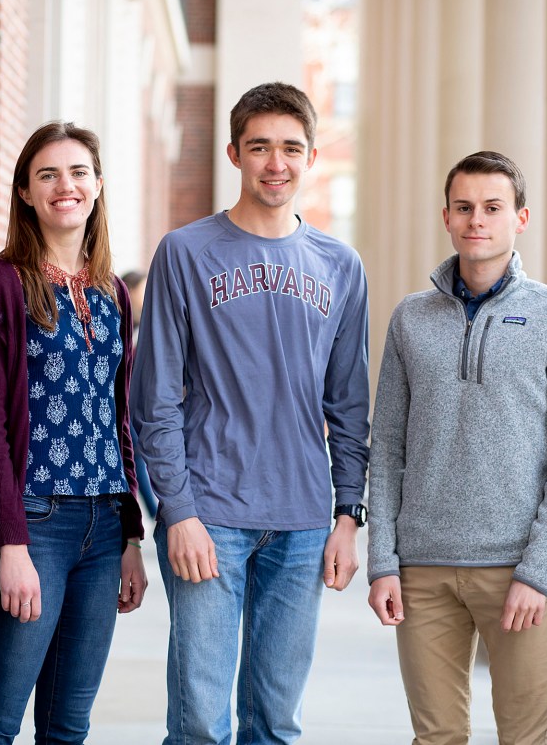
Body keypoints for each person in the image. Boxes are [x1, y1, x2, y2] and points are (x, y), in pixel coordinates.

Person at [132, 82, 370, 745]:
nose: (276, 162)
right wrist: (176, 511)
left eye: (291, 148)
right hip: (210, 514)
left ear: (312, 156)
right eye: (260, 146)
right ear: (234, 152)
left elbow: (349, 404)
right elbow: (155, 397)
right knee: (200, 725)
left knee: (276, 723)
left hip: (301, 522)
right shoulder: (185, 252)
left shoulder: (341, 266)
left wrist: (348, 516)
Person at [366, 151, 547, 744]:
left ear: (520, 217)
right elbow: (388, 443)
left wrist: (540, 567)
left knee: (524, 735)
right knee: (436, 736)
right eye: (465, 207)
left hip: (516, 569)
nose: (478, 220)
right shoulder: (410, 318)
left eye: (493, 208)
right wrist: (383, 562)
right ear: (446, 216)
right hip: (423, 571)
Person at [0, 122, 148, 745]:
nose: (65, 186)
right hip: (34, 524)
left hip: (102, 528)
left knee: (68, 726)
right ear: (25, 194)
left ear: (97, 187)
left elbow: (117, 420)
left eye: (78, 173)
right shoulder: (1, 287)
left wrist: (129, 536)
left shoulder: (112, 291)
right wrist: (9, 543)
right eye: (48, 175)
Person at [120, 270, 156, 518]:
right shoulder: (123, 324)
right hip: (124, 406)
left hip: (136, 405)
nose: (144, 297)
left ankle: (150, 510)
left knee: (138, 459)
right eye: (141, 291)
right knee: (136, 459)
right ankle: (151, 510)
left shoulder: (140, 325)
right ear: (130, 291)